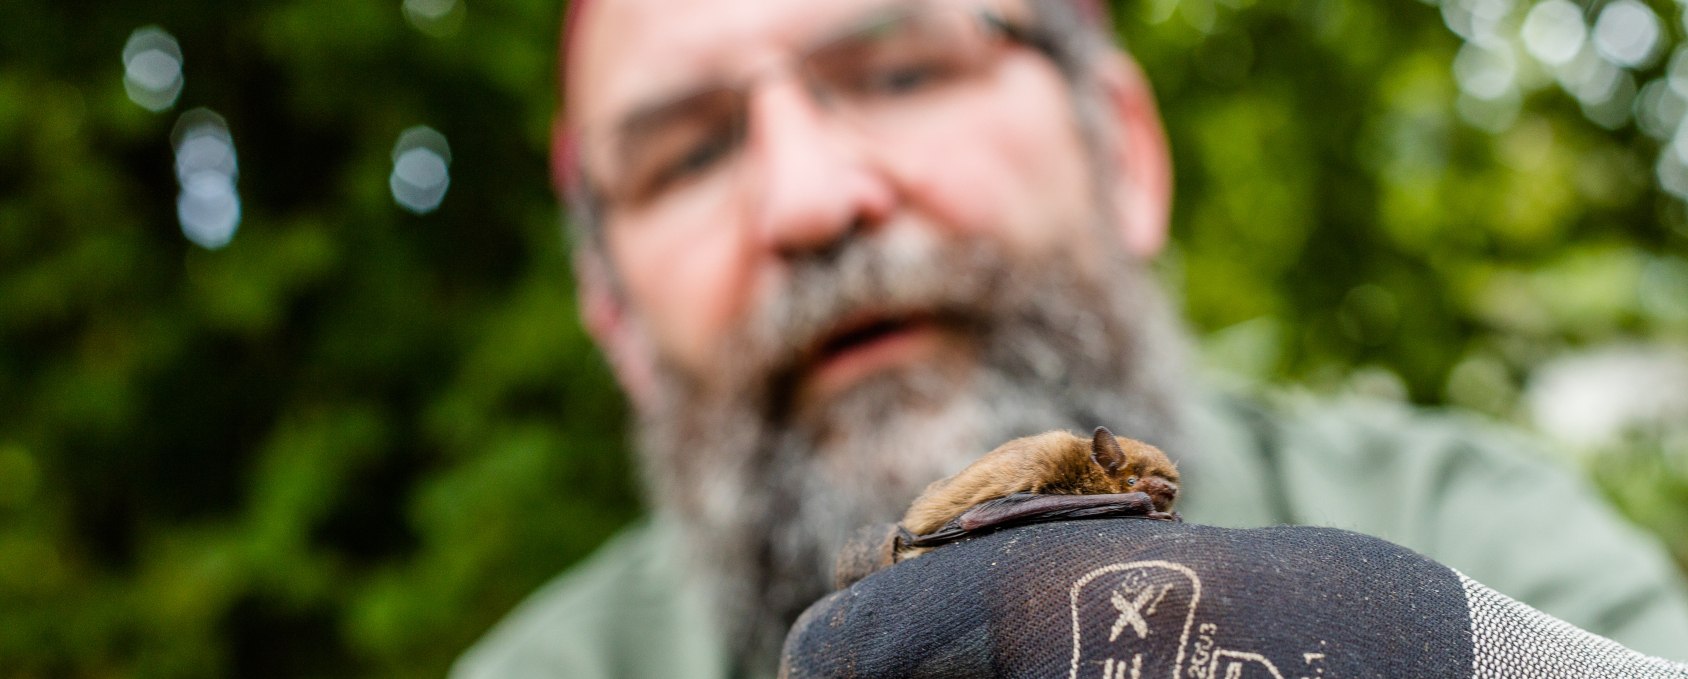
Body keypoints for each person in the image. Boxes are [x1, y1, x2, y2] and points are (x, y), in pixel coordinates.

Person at [452, 0, 1688, 676]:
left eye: (900, 70)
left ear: (1126, 153)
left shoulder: (1468, 521)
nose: (810, 197)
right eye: (687, 152)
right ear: (608, 311)